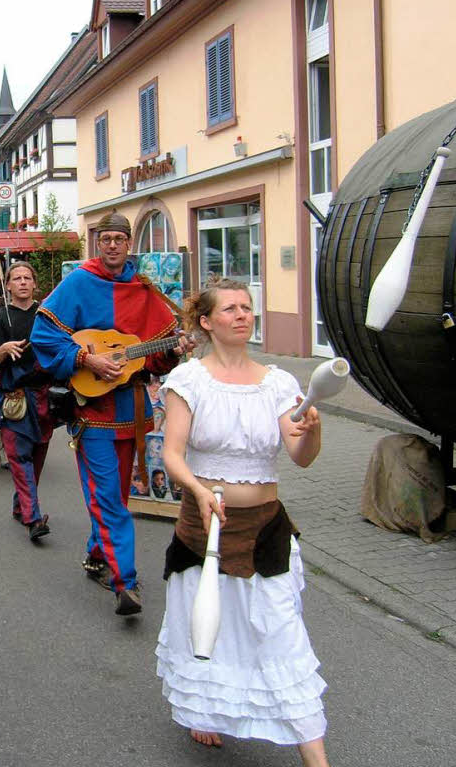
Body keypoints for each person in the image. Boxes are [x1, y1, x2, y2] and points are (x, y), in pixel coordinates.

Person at [156, 277, 329, 766]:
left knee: (280, 630)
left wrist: (312, 434)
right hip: (203, 523)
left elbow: (300, 455)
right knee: (209, 627)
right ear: (206, 322)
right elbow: (172, 453)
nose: (242, 314)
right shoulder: (188, 380)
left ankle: (314, 755)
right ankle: (205, 709)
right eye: (230, 308)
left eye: (247, 307)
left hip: (264, 527)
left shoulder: (278, 383)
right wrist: (196, 490)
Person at [31, 211, 193, 616]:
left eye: (120, 238)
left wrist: (171, 352)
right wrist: (86, 360)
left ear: (129, 243)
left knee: (115, 496)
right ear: (97, 243)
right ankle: (127, 582)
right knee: (109, 499)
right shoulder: (79, 282)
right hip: (92, 412)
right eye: (106, 239)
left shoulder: (144, 288)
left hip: (133, 410)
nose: (113, 245)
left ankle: (96, 556)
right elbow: (44, 335)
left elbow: (154, 358)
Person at [0, 261, 54, 541]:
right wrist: (2, 350)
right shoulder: (0, 318)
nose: (22, 282)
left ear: (35, 283)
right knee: (20, 459)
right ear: (7, 285)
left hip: (45, 399)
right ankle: (33, 518)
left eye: (27, 278)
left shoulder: (47, 315)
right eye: (16, 278)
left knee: (36, 458)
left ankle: (19, 504)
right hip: (15, 399)